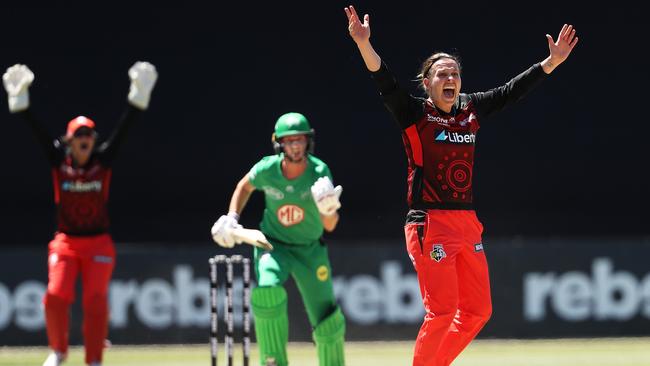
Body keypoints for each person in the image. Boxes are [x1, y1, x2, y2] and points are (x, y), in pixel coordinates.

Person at [344, 5, 578, 366]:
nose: (450, 78)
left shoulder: (470, 109)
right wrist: (364, 44)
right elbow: (384, 81)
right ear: (427, 83)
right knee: (442, 310)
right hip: (430, 222)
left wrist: (551, 63)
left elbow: (509, 92)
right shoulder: (415, 113)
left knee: (478, 310)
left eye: (454, 73)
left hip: (467, 222)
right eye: (441, 74)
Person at [2, 61, 158, 366]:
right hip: (66, 243)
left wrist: (137, 99)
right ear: (70, 141)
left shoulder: (103, 161)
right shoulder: (59, 162)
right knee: (56, 296)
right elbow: (38, 133)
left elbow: (123, 130)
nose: (85, 139)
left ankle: (94, 359)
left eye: (89, 134)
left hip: (99, 243)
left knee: (95, 301)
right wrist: (21, 105)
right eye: (79, 135)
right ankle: (58, 351)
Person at [211, 112, 346, 366]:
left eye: (300, 140)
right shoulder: (267, 168)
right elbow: (245, 186)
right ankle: (273, 362)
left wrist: (329, 210)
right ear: (279, 143)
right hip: (273, 246)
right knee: (268, 291)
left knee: (328, 317)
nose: (295, 146)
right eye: (289, 140)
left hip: (310, 250)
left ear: (308, 141)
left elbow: (330, 226)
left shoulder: (319, 171)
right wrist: (232, 217)